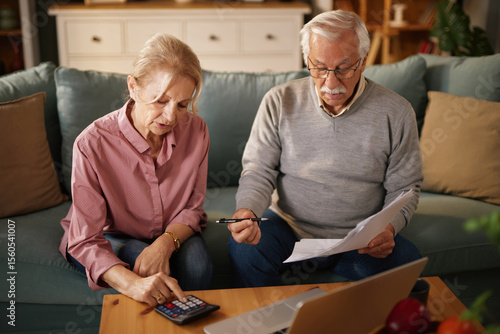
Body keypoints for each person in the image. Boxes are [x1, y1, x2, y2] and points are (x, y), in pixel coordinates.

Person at [227, 10, 423, 287]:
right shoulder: (279, 101)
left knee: (408, 267)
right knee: (246, 251)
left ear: (364, 61)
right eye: (319, 68)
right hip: (288, 228)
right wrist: (248, 210)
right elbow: (258, 170)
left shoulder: (397, 112)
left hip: (361, 236)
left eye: (344, 68)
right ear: (307, 61)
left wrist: (389, 228)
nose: (331, 84)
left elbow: (405, 188)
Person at [59, 33, 212, 306]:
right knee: (142, 261)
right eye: (160, 101)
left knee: (198, 266)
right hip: (112, 232)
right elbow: (83, 240)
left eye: (181, 105)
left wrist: (164, 244)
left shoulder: (197, 131)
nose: (170, 117)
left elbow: (192, 207)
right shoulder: (91, 143)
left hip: (170, 229)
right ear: (133, 86)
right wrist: (133, 285)